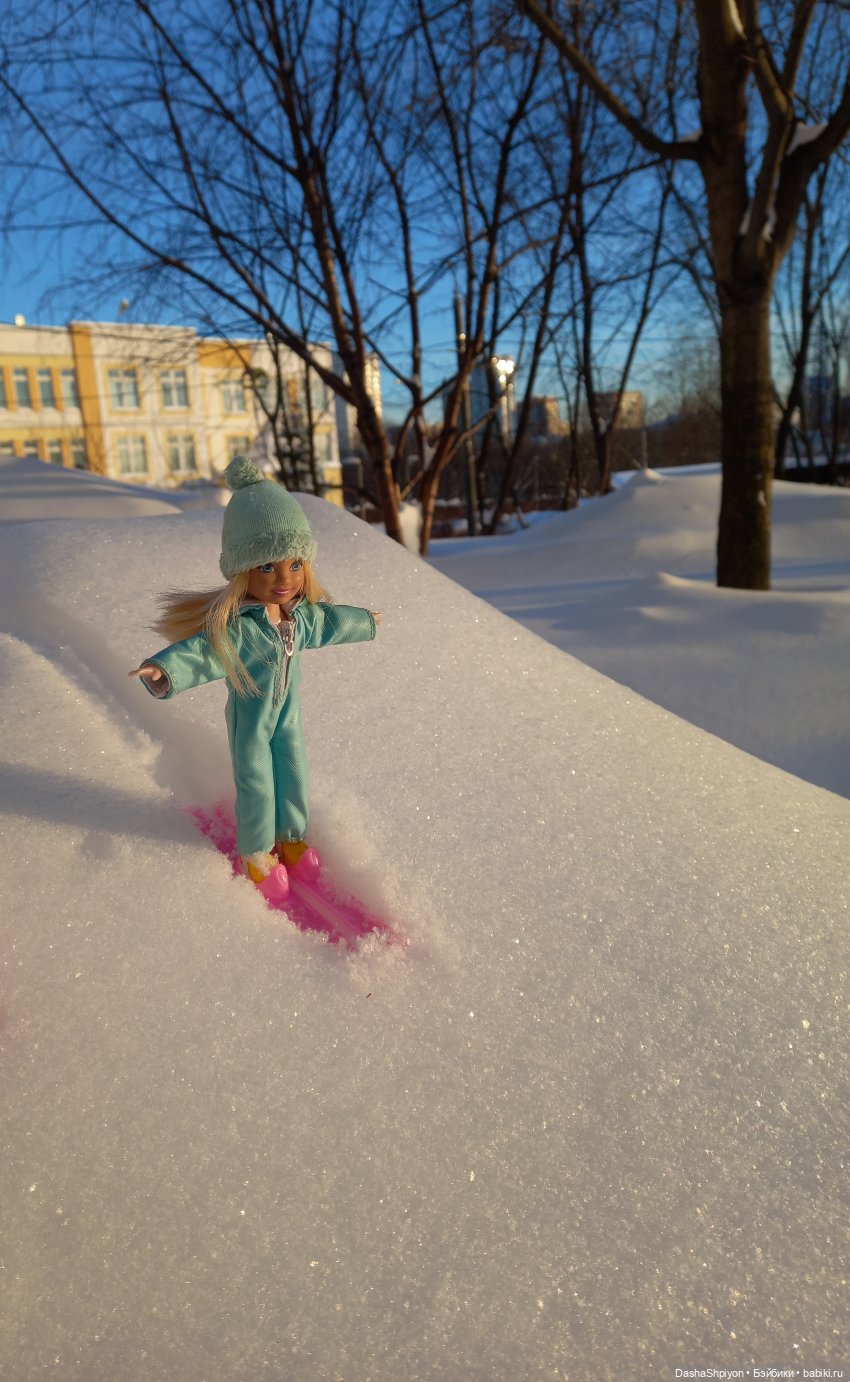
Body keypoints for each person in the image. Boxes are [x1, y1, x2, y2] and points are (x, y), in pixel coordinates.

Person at [130, 456, 380, 892]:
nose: (284, 578)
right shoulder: (241, 630)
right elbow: (204, 653)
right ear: (243, 571)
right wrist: (165, 667)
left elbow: (329, 623)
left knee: (294, 771)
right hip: (251, 722)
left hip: (288, 718)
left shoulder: (298, 618)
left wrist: (365, 621)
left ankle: (292, 839)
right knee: (258, 782)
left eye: (294, 565)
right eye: (267, 566)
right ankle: (256, 854)